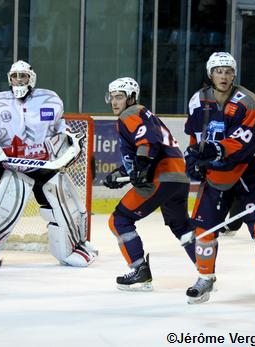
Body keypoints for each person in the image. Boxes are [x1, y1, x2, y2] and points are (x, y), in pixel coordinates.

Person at [0, 60, 97, 268]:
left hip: (42, 165)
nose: (18, 80)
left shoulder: (50, 99)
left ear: (31, 78)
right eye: (15, 76)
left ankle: (74, 246)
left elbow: (61, 129)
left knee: (64, 203)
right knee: (3, 207)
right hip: (7, 166)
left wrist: (72, 143)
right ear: (10, 79)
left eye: (23, 76)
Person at [184, 52, 255, 304]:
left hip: (248, 170)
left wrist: (216, 150)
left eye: (228, 71)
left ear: (234, 74)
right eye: (218, 71)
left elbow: (244, 139)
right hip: (216, 173)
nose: (223, 76)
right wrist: (192, 156)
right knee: (204, 229)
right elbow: (196, 135)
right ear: (210, 73)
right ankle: (205, 277)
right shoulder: (198, 99)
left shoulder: (247, 100)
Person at [103, 77, 196, 291]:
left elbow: (146, 142)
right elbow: (144, 147)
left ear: (132, 98)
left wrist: (141, 164)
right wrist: (122, 172)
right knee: (181, 226)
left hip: (160, 177)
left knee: (119, 220)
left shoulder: (130, 113)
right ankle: (205, 267)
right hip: (178, 177)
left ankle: (139, 270)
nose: (115, 102)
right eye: (112, 97)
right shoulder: (146, 114)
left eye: (120, 97)